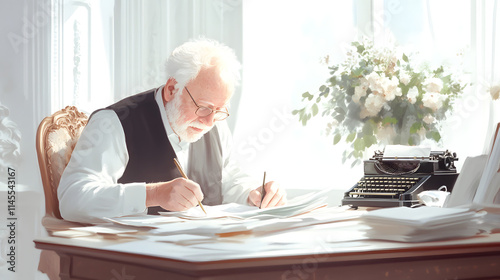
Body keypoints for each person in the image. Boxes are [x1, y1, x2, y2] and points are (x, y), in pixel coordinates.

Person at [57, 38, 287, 223]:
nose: (209, 122)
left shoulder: (216, 123)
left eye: (219, 110)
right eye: (203, 108)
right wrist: (152, 195)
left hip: (207, 255)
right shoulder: (114, 123)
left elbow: (227, 178)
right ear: (171, 89)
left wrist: (253, 193)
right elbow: (72, 199)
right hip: (137, 261)